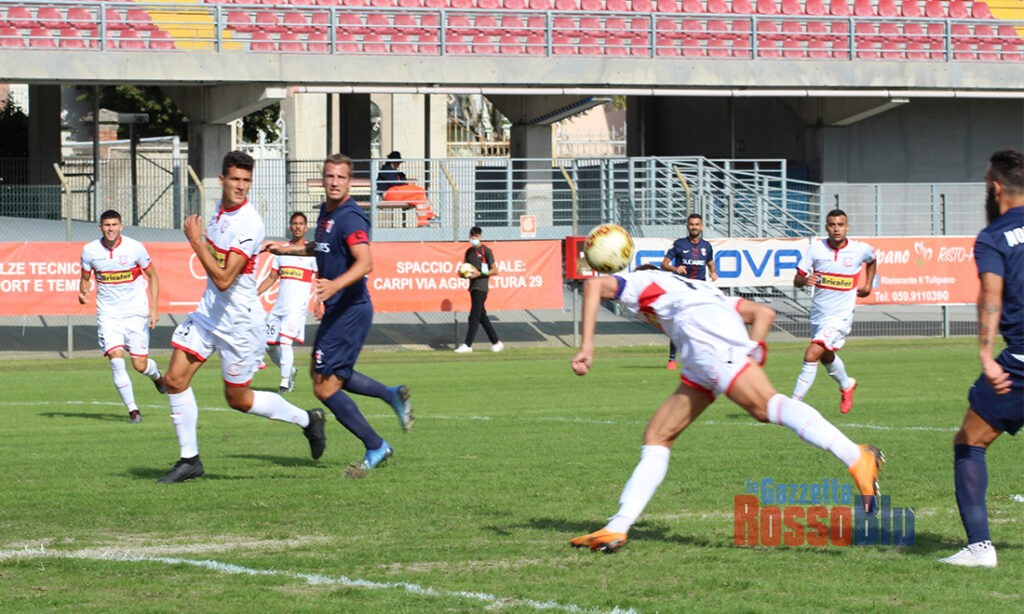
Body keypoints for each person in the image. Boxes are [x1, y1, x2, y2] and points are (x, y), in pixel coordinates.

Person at [569, 263, 883, 553]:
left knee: (766, 406)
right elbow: (763, 313)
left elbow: (594, 286)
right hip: (701, 349)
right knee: (657, 437)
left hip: (704, 335)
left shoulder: (643, 280)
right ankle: (617, 527)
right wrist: (751, 353)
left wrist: (587, 347)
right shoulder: (699, 288)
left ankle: (857, 456)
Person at [156, 151, 327, 484]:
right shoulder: (219, 212)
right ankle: (190, 460)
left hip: (240, 323)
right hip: (209, 314)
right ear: (222, 180)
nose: (241, 186)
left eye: (246, 181)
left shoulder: (250, 222)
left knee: (237, 399)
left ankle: (309, 420)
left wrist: (195, 241)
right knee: (175, 380)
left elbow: (224, 279)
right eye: (235, 179)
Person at [268, 153, 414, 472]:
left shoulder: (350, 217)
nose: (334, 182)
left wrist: (334, 285)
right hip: (339, 309)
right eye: (329, 176)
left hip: (351, 309)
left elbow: (365, 262)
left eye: (341, 177)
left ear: (350, 182)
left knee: (324, 386)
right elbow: (322, 248)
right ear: (323, 179)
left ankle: (376, 445)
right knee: (325, 375)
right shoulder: (326, 212)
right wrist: (288, 250)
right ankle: (390, 396)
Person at [939, 149, 1024, 568]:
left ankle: (980, 549)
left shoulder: (994, 236)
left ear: (995, 188)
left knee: (970, 442)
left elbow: (991, 295)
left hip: (1020, 363)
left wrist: (987, 355)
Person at [78, 209, 167, 423]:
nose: (110, 229)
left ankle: (157, 376)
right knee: (116, 360)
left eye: (114, 225)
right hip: (109, 315)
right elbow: (85, 278)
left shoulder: (135, 247)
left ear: (121, 226)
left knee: (139, 365)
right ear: (100, 227)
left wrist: (154, 308)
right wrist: (83, 292)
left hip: (135, 312)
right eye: (107, 225)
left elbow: (153, 276)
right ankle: (133, 411)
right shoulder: (89, 250)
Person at [791, 209, 876, 414]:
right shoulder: (816, 249)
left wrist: (868, 284)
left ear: (847, 227)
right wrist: (805, 280)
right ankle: (847, 385)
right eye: (832, 225)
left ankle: (793, 404)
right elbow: (797, 280)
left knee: (812, 354)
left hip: (840, 317)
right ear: (826, 227)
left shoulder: (859, 249)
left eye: (840, 225)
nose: (836, 229)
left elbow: (872, 260)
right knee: (825, 356)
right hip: (819, 314)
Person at [258, 211, 319, 393]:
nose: (298, 226)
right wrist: (254, 294)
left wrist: (319, 302)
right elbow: (271, 277)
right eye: (295, 223)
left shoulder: (311, 252)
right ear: (290, 227)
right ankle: (290, 371)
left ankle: (285, 383)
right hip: (279, 307)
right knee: (269, 345)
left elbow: (320, 278)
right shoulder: (281, 251)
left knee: (285, 341)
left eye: (301, 223)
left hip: (296, 308)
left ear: (306, 228)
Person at [661, 213, 718, 370]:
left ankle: (703, 357)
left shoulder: (706, 246)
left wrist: (713, 272)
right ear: (687, 226)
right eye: (691, 224)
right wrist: (675, 268)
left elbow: (710, 263)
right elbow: (664, 264)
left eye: (697, 224)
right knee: (679, 323)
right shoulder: (679, 244)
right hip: (682, 289)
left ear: (702, 227)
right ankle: (672, 359)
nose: (694, 227)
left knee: (702, 324)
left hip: (700, 290)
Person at [454, 226, 504, 353]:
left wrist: (480, 273)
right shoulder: (469, 252)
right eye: (472, 236)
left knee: (474, 316)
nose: (473, 238)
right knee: (482, 316)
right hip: (472, 287)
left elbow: (495, 270)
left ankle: (468, 345)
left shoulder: (486, 251)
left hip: (481, 287)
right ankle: (496, 342)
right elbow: (465, 269)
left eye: (476, 236)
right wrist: (462, 273)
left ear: (480, 237)